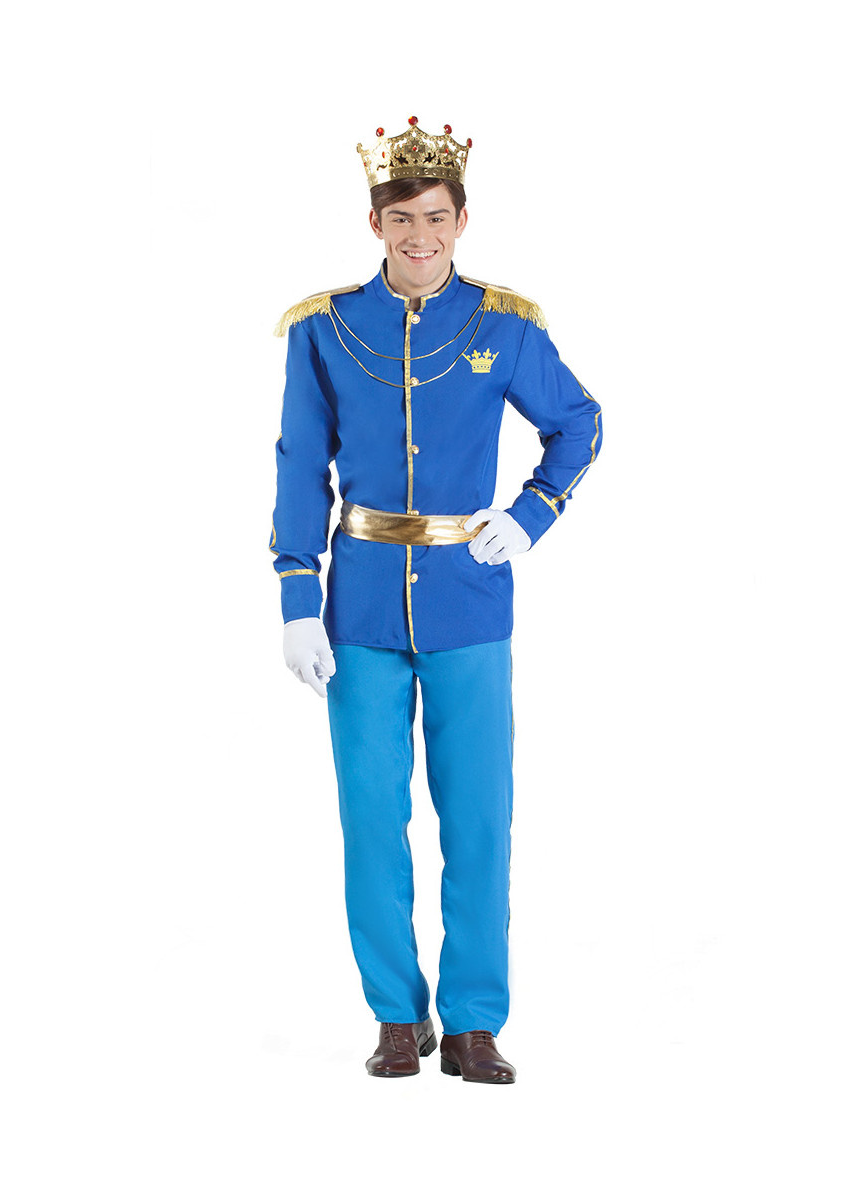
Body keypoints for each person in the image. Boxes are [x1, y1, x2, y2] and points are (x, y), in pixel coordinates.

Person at [268, 117, 603, 1083]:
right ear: (374, 223)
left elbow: (579, 423)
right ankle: (395, 1014)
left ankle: (473, 1023)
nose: (422, 235)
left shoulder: (505, 325)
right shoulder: (324, 329)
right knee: (372, 818)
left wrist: (531, 517)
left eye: (438, 217)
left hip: (469, 602)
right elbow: (300, 464)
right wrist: (298, 596)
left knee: (479, 818)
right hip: (361, 611)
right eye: (403, 218)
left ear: (463, 221)